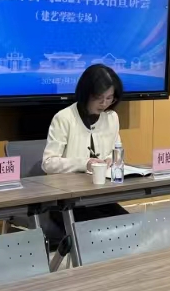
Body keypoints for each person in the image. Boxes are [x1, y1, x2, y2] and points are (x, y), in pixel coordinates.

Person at [42, 64, 128, 226]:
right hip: (67, 202)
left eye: (109, 98)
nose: (104, 103)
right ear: (86, 93)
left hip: (99, 197)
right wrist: (85, 163)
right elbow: (48, 163)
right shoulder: (64, 118)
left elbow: (116, 151)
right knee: (104, 228)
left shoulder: (112, 117)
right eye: (99, 97)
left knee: (129, 224)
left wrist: (112, 160)